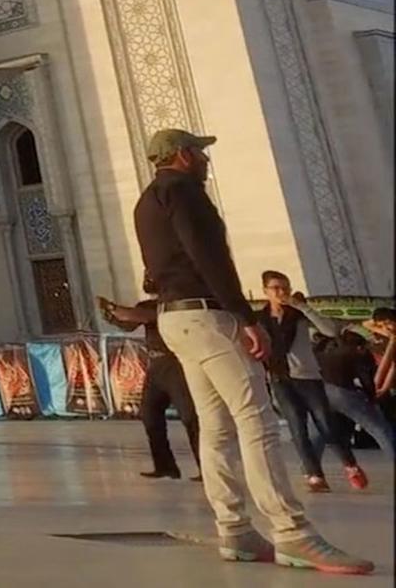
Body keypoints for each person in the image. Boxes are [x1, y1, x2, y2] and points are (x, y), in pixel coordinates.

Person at [135, 127, 368, 572]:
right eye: (199, 153)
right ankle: (292, 532)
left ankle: (235, 529)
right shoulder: (185, 191)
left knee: (216, 424)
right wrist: (245, 316)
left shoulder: (148, 200)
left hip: (174, 318)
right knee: (256, 419)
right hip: (207, 316)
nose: (205, 161)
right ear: (183, 156)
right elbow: (208, 257)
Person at [260, 273, 387, 489]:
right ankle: (314, 475)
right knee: (297, 428)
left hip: (309, 377)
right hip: (280, 378)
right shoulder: (261, 320)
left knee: (326, 425)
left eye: (285, 287)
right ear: (266, 291)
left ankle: (350, 464)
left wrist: (302, 307)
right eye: (276, 288)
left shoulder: (299, 316)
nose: (281, 292)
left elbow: (330, 330)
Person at [98, 292, 202, 480]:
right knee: (149, 414)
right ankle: (165, 466)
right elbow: (129, 325)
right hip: (155, 365)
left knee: (189, 416)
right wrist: (110, 315)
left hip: (173, 363)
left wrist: (115, 308)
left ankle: (206, 467)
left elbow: (144, 316)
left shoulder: (172, 304)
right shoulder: (145, 304)